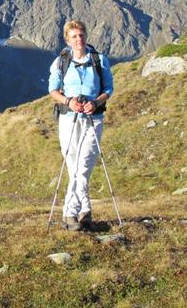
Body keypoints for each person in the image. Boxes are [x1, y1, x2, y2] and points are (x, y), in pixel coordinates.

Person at [48, 20, 114, 231]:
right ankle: (85, 211)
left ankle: (69, 213)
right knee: (73, 165)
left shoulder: (99, 60)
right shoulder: (61, 61)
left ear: (86, 36)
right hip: (69, 118)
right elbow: (53, 90)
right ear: (67, 40)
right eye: (74, 36)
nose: (79, 39)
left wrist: (96, 102)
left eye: (81, 35)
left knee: (84, 163)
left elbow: (108, 88)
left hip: (94, 118)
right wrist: (69, 101)